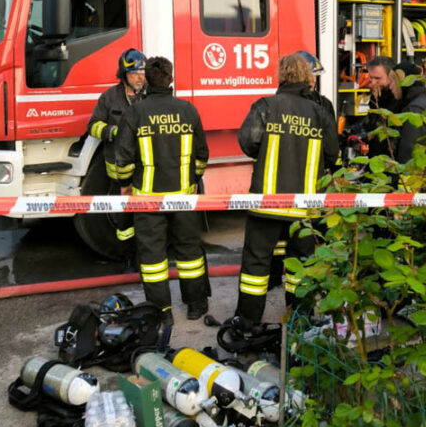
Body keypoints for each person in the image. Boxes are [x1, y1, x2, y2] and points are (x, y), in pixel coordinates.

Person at [233, 52, 338, 325]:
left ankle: (247, 323)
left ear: (281, 76)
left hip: (266, 205)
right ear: (308, 78)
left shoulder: (266, 105)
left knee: (256, 266)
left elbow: (247, 142)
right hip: (305, 209)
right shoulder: (320, 112)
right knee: (301, 266)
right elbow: (332, 155)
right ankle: (299, 320)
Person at [112, 56, 210, 329]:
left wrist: (125, 184)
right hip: (184, 198)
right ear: (170, 79)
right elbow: (202, 155)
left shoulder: (135, 113)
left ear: (147, 80)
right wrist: (193, 179)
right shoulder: (188, 110)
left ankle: (161, 311)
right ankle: (195, 305)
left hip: (146, 201)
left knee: (153, 259)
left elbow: (123, 159)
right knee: (189, 253)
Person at [87, 48, 146, 244]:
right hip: (118, 172)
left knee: (145, 214)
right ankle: (126, 251)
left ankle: (143, 250)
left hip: (144, 170)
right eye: (134, 72)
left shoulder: (149, 96)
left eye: (142, 72)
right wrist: (112, 131)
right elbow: (93, 125)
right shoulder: (110, 97)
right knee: (123, 217)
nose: (140, 77)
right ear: (123, 74)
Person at [365, 56, 426, 165]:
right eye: (371, 78)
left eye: (377, 78)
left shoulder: (413, 110)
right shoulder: (416, 103)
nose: (372, 83)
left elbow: (408, 155)